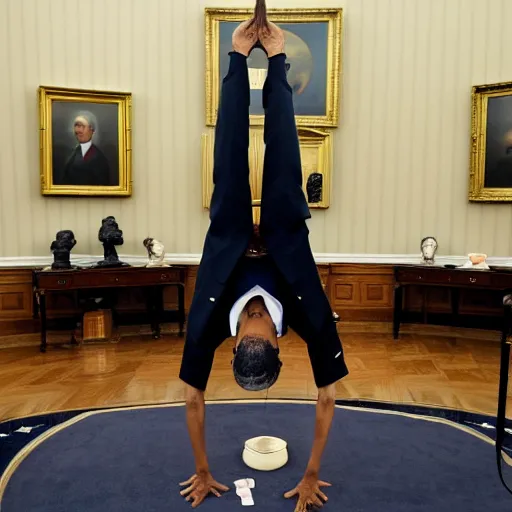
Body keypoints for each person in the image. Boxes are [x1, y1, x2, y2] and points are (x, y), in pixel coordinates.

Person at [179, 18, 349, 512]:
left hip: (230, 231)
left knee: (228, 150)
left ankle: (236, 57)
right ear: (278, 342)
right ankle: (276, 60)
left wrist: (203, 469)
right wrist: (311, 473)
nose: (254, 320)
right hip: (284, 230)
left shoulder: (207, 326)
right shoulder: (311, 320)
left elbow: (192, 396)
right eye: (261, 328)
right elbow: (328, 397)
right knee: (284, 151)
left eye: (248, 329)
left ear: (232, 345)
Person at [56, 112, 111, 186]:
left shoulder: (99, 158)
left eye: (82, 126)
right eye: (77, 126)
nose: (78, 131)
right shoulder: (72, 153)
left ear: (92, 130)